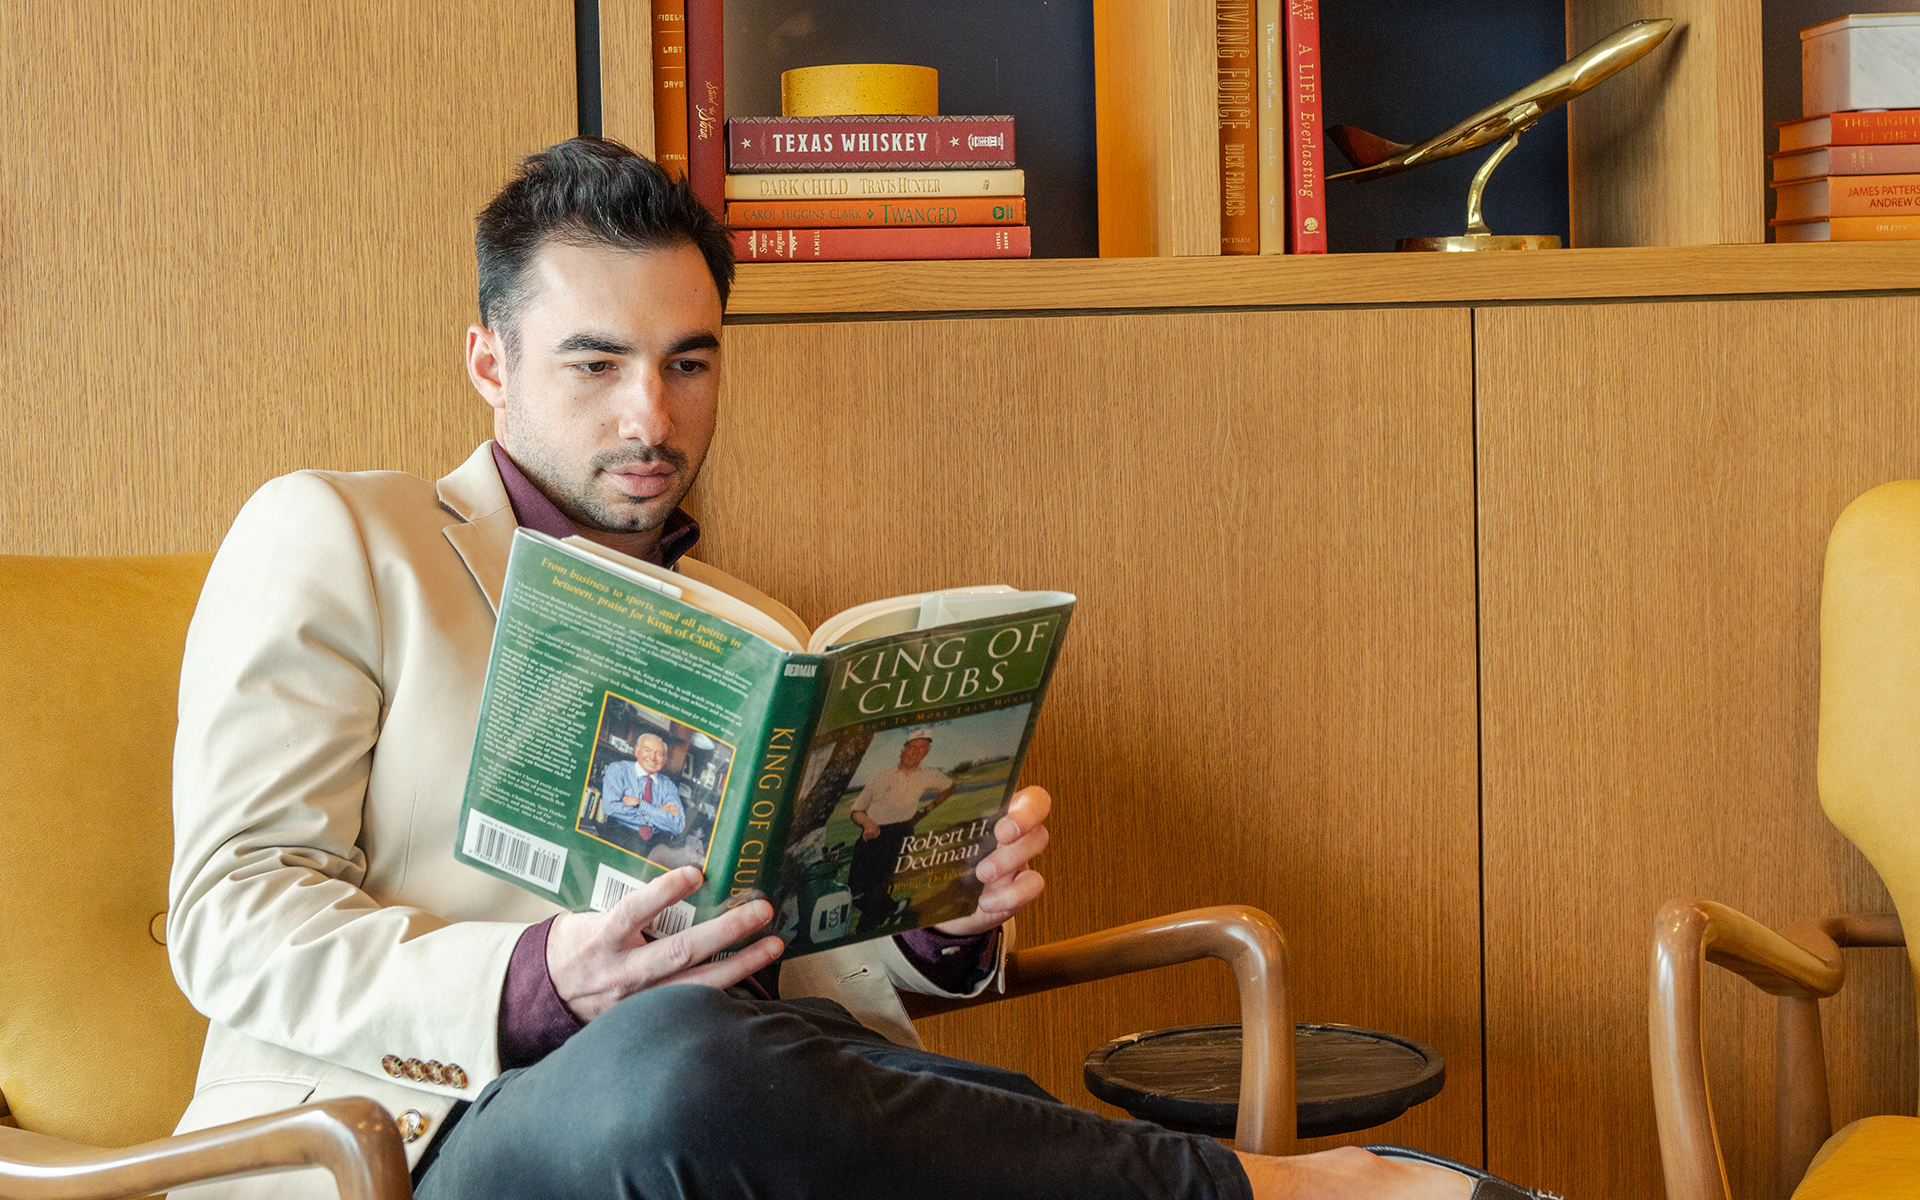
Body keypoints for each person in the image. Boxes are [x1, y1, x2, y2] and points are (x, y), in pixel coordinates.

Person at [166, 137, 1542, 1200]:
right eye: (595, 365)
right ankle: (1284, 1188)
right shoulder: (345, 537)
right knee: (678, 1060)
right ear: (490, 362)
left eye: (689, 364)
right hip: (416, 1136)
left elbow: (818, 987)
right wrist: (540, 981)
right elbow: (229, 912)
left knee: (766, 1066)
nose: (651, 416)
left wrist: (940, 918)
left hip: (748, 1109)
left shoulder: (757, 630)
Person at [848, 726, 954, 933]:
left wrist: (927, 809)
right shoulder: (881, 776)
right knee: (856, 892)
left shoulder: (929, 774)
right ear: (903, 750)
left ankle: (866, 930)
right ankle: (896, 908)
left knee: (879, 887)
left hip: (899, 834)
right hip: (871, 834)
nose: (916, 752)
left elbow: (949, 787)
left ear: (926, 753)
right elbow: (856, 811)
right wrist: (867, 822)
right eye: (913, 746)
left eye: (922, 748)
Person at [600, 731, 684, 844]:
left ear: (664, 760)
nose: (652, 757)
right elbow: (611, 808)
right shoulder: (618, 770)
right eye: (647, 750)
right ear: (637, 751)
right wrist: (657, 812)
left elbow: (678, 825)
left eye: (659, 754)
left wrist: (639, 804)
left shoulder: (669, 786)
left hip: (654, 843)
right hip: (618, 834)